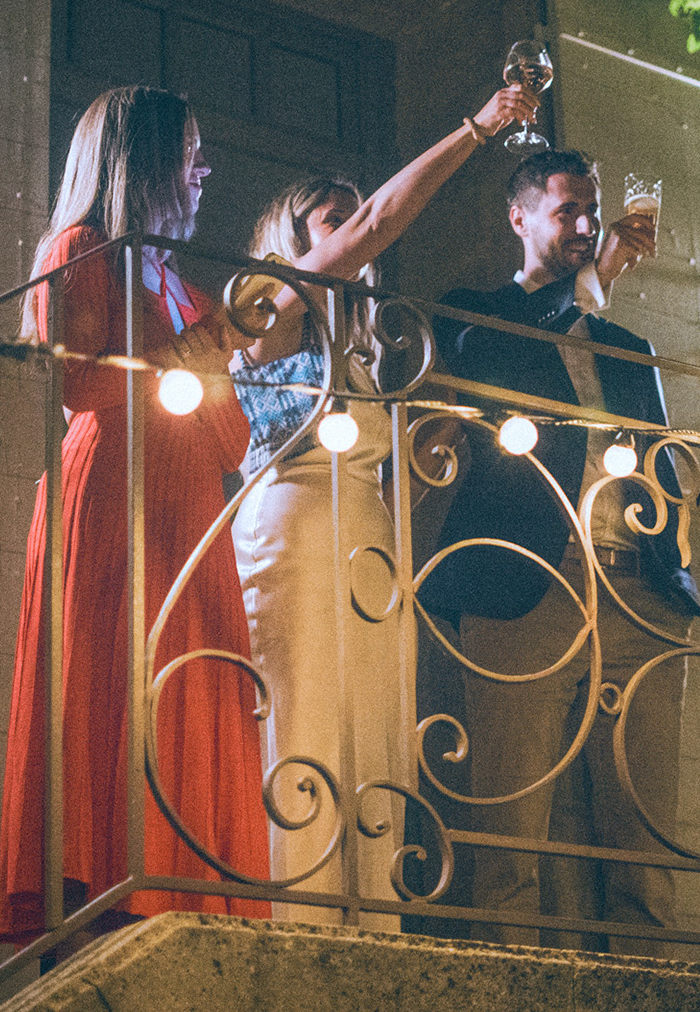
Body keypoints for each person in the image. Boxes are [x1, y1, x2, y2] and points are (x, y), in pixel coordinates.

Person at [228, 83, 538, 926]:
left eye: (351, 220)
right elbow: (376, 224)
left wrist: (429, 449)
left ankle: (371, 917)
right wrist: (478, 127)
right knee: (305, 714)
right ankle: (299, 913)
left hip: (368, 534)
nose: (356, 234)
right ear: (293, 241)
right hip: (293, 524)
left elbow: (386, 472)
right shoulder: (266, 307)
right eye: (333, 222)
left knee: (376, 725)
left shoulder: (363, 351)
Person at [0, 86, 267, 947]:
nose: (205, 169)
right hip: (115, 489)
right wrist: (186, 354)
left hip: (190, 504)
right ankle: (100, 900)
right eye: (190, 152)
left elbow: (233, 438)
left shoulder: (185, 288)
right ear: (142, 159)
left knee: (188, 687)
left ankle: (177, 895)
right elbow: (78, 381)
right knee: (111, 684)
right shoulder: (81, 249)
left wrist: (213, 351)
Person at [420, 150, 700, 954]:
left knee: (645, 843)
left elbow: (659, 459)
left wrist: (678, 557)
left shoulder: (628, 343)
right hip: (527, 586)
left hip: (639, 593)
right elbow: (492, 366)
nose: (585, 225)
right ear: (519, 218)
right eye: (566, 210)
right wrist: (592, 280)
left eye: (592, 210)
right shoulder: (475, 314)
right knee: (511, 837)